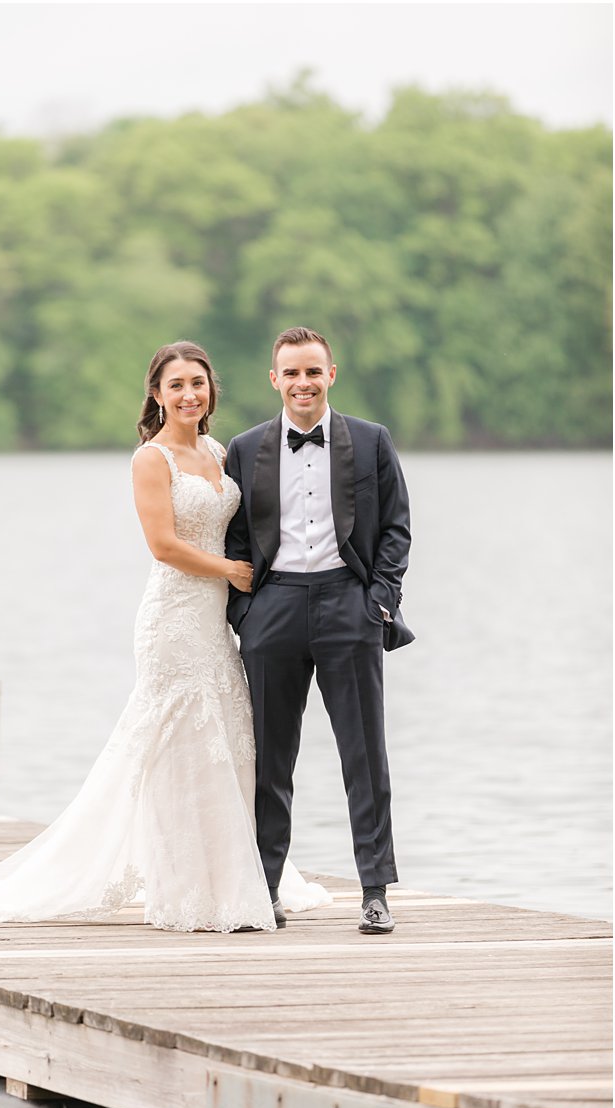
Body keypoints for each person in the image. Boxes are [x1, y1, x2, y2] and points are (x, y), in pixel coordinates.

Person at [0, 343, 328, 932]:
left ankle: (236, 878)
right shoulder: (151, 460)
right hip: (174, 619)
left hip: (215, 622)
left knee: (229, 742)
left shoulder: (216, 451)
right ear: (156, 394)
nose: (189, 395)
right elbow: (162, 545)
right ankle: (189, 892)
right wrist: (232, 572)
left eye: (199, 384)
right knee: (181, 747)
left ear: (212, 391)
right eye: (176, 385)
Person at [224, 326, 412, 935]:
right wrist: (243, 614)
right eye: (291, 373)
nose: (302, 383)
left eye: (313, 371)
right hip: (272, 609)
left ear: (331, 374)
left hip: (346, 606)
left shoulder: (371, 440)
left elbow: (396, 529)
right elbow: (230, 539)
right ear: (273, 379)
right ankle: (266, 887)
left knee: (364, 756)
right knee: (269, 761)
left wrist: (377, 602)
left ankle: (375, 891)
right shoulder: (245, 447)